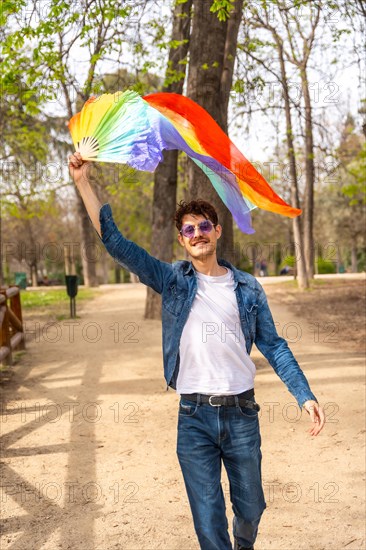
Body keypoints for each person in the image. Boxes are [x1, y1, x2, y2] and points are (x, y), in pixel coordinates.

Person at [69, 152, 325, 550]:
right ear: (182, 239)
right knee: (208, 525)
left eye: (204, 226)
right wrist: (83, 181)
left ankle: (244, 543)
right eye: (189, 230)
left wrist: (304, 394)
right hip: (193, 418)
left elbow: (273, 345)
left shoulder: (247, 288)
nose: (197, 234)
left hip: (242, 414)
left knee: (251, 509)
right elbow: (116, 245)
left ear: (218, 231)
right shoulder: (171, 280)